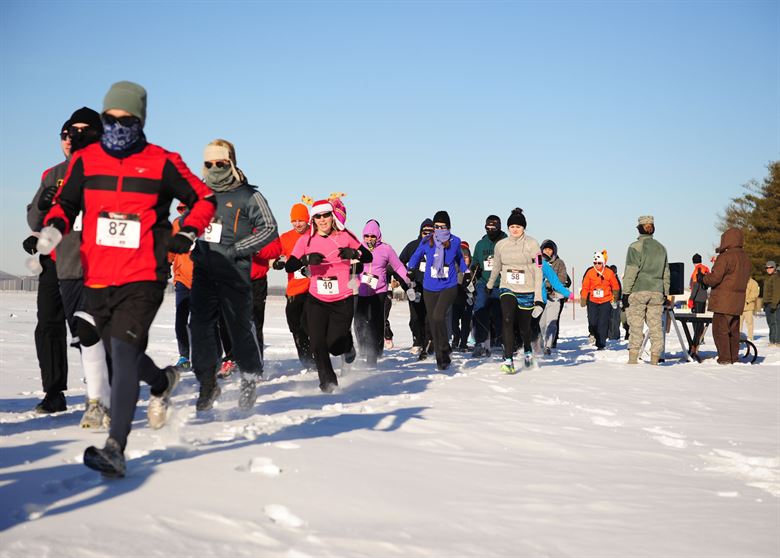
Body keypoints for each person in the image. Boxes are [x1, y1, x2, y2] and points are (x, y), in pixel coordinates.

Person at [41, 81, 216, 477]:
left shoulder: (161, 161)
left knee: (121, 354)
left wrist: (188, 229)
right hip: (97, 274)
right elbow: (65, 203)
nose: (118, 126)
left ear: (141, 120)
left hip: (143, 274)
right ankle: (161, 382)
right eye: (111, 119)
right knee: (124, 353)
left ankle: (115, 447)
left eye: (127, 119)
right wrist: (53, 228)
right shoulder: (86, 162)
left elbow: (203, 199)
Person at [25, 107, 112, 427]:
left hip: (91, 264)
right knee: (47, 325)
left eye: (79, 131)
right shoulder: (52, 173)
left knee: (91, 331)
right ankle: (54, 392)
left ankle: (106, 392)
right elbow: (36, 220)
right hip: (54, 262)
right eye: (65, 133)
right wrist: (42, 205)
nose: (69, 138)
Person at [190, 139, 278, 412]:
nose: (214, 168)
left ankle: (250, 377)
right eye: (209, 164)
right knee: (199, 328)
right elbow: (188, 220)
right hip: (204, 273)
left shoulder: (248, 195)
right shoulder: (199, 193)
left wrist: (237, 249)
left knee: (239, 331)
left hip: (235, 275)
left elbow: (269, 228)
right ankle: (207, 383)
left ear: (231, 163)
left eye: (220, 163)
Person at [285, 196, 372, 392]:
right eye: (318, 217)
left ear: (332, 217)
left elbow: (368, 256)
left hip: (342, 301)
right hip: (316, 300)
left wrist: (355, 254)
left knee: (334, 345)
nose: (322, 220)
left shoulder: (344, 236)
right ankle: (328, 383)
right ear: (313, 220)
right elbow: (290, 265)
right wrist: (306, 259)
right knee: (317, 343)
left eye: (326, 215)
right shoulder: (305, 240)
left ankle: (347, 344)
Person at [407, 210, 468, 371]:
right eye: (436, 226)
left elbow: (460, 260)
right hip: (429, 286)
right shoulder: (427, 241)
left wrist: (466, 273)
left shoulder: (455, 241)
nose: (439, 230)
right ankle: (442, 358)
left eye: (443, 226)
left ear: (449, 226)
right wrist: (410, 269)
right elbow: (415, 256)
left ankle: (444, 345)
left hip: (449, 285)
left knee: (438, 316)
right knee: (433, 322)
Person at [484, 208, 542, 373]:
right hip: (507, 287)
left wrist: (538, 296)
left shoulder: (532, 244)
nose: (515, 229)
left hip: (527, 289)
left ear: (524, 227)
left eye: (518, 226)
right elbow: (496, 268)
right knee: (507, 319)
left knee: (524, 327)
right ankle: (508, 359)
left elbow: (538, 270)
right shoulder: (501, 245)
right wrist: (489, 284)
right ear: (508, 228)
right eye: (512, 226)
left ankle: (528, 350)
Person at [354, 219, 410, 368]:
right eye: (366, 236)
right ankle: (363, 349)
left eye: (372, 236)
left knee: (375, 322)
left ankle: (374, 352)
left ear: (378, 236)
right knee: (359, 321)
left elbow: (398, 266)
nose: (369, 239)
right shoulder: (358, 249)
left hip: (379, 291)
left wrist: (407, 278)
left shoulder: (386, 249)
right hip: (361, 290)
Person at [271, 202, 315, 370]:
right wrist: (277, 262)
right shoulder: (286, 237)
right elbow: (277, 255)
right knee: (296, 327)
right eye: (294, 220)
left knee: (311, 325)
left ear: (307, 220)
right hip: (294, 289)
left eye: (300, 220)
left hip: (313, 288)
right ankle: (306, 361)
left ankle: (317, 356)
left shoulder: (315, 235)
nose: (297, 224)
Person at [622, 215, 670, 365]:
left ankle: (633, 360)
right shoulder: (662, 248)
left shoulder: (635, 247)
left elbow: (631, 270)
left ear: (639, 228)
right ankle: (655, 359)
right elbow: (666, 273)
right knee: (656, 327)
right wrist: (666, 293)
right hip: (657, 292)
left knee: (636, 326)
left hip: (639, 290)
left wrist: (626, 292)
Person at [700, 228, 751, 364]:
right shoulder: (745, 258)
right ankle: (733, 357)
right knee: (733, 331)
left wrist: (703, 279)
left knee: (720, 330)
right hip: (737, 301)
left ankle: (725, 358)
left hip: (723, 301)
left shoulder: (725, 257)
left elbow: (715, 278)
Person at [471, 215, 507, 357]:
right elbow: (475, 260)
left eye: (494, 228)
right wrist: (474, 268)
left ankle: (500, 341)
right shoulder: (481, 244)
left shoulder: (505, 242)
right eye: (488, 228)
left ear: (499, 227)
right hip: (483, 283)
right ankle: (480, 343)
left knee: (500, 314)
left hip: (501, 284)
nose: (490, 230)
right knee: (480, 310)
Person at [399, 219, 434, 356]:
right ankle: (417, 340)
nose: (427, 234)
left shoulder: (438, 246)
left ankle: (427, 341)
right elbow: (399, 264)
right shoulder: (412, 246)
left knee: (429, 317)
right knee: (415, 318)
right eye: (425, 232)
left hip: (432, 287)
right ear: (420, 232)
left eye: (430, 232)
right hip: (415, 287)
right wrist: (405, 283)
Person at [169, 203, 194, 369]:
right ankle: (184, 356)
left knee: (202, 322)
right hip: (182, 280)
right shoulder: (177, 224)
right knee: (181, 321)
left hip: (205, 280)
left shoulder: (210, 222)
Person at [250, 233, 283, 359]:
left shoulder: (263, 222)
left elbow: (275, 249)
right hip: (230, 279)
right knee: (227, 323)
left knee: (255, 322)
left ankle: (256, 364)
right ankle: (231, 359)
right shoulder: (226, 219)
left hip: (256, 281)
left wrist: (257, 249)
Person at [580, 251, 620, 351]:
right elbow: (585, 287)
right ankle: (593, 333)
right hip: (593, 300)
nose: (597, 265)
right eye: (595, 263)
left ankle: (601, 343)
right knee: (592, 321)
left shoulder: (609, 272)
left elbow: (615, 286)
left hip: (606, 300)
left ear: (603, 263)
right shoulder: (590, 272)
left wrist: (615, 297)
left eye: (599, 263)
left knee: (603, 322)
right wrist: (584, 298)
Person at [538, 239, 571, 353]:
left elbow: (563, 278)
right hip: (540, 297)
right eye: (545, 249)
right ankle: (540, 343)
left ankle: (548, 345)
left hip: (555, 296)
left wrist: (549, 284)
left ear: (554, 251)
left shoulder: (559, 263)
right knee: (541, 322)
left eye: (550, 249)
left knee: (552, 322)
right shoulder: (538, 262)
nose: (547, 251)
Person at [451, 241, 475, 351]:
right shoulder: (453, 270)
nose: (465, 259)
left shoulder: (473, 271)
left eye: (466, 257)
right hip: (455, 300)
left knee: (466, 324)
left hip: (468, 301)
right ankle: (456, 337)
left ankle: (463, 342)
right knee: (453, 323)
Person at [687, 253, 711, 356]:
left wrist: (691, 299)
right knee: (700, 320)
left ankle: (695, 343)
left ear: (693, 261)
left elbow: (696, 286)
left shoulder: (698, 270)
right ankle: (700, 338)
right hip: (703, 297)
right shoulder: (706, 268)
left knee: (696, 321)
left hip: (697, 298)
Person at [763, 261, 779, 345]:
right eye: (767, 267)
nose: (769, 269)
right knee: (770, 323)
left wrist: (774, 304)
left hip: (774, 304)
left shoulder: (776, 277)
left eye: (771, 267)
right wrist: (764, 304)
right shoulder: (768, 278)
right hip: (767, 304)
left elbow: (777, 292)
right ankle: (772, 340)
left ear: (774, 267)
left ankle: (777, 341)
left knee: (775, 323)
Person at [740, 276, 759, 341]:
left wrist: (747, 300)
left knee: (749, 323)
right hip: (739, 307)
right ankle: (738, 337)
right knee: (738, 324)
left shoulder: (754, 283)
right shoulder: (740, 280)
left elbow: (755, 294)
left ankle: (750, 338)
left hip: (748, 307)